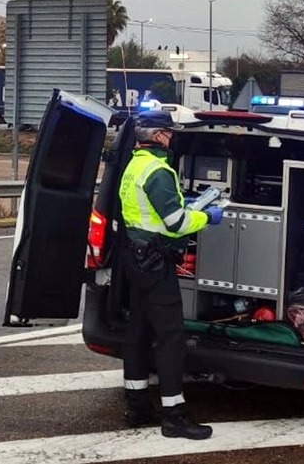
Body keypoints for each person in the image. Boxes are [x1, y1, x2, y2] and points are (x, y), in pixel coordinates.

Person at [118, 109, 224, 440]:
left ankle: (137, 406)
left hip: (134, 260)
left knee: (137, 331)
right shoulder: (159, 171)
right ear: (159, 136)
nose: (172, 137)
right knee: (171, 337)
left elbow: (148, 213)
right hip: (154, 263)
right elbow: (176, 224)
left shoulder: (134, 166)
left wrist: (185, 208)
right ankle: (174, 417)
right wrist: (207, 216)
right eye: (169, 132)